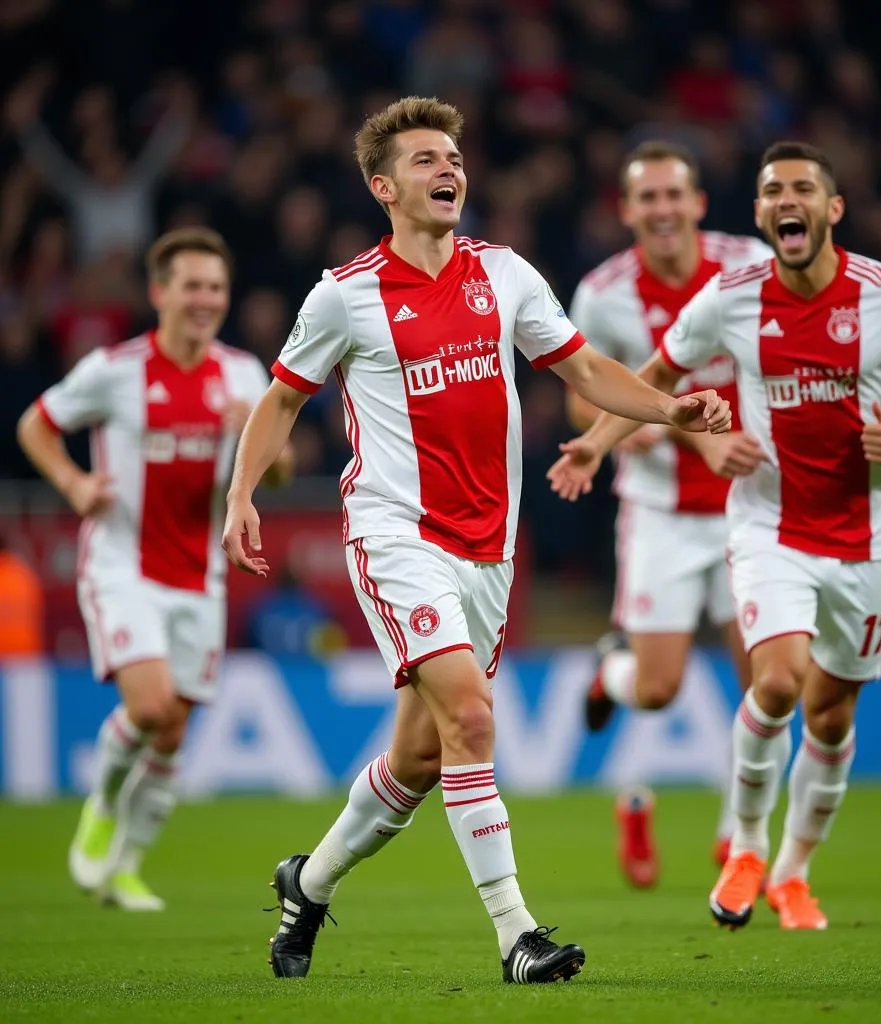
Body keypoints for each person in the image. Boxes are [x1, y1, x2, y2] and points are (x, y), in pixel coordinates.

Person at [220, 96, 731, 984]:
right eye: (423, 160)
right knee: (469, 716)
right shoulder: (345, 295)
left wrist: (669, 407)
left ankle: (308, 882)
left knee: (419, 757)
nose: (446, 168)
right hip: (395, 530)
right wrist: (241, 496)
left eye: (452, 155)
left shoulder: (505, 272)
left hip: (488, 544)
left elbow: (581, 365)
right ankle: (517, 935)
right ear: (383, 187)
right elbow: (282, 398)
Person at [547, 140, 881, 931]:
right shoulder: (656, 294)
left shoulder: (864, 292)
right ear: (629, 211)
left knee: (829, 713)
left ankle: (790, 871)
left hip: (863, 532)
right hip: (743, 516)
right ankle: (741, 845)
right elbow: (628, 384)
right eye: (775, 190)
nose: (664, 211)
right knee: (739, 684)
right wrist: (599, 442)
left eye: (803, 189)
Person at [17, 227, 293, 910]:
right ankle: (102, 806)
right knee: (149, 706)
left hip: (200, 576)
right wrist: (75, 485)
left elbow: (281, 471)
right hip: (122, 565)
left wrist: (247, 434)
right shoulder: (115, 370)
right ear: (160, 292)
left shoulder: (242, 375)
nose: (205, 299)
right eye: (192, 286)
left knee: (173, 730)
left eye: (215, 288)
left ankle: (128, 867)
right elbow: (36, 424)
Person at [567, 140, 773, 886]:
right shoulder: (604, 293)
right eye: (645, 198)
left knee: (769, 684)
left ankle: (737, 840)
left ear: (697, 203)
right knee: (656, 689)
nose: (661, 209)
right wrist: (677, 430)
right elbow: (579, 394)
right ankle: (606, 673)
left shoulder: (747, 262)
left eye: (672, 195)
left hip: (750, 505)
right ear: (625, 210)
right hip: (659, 510)